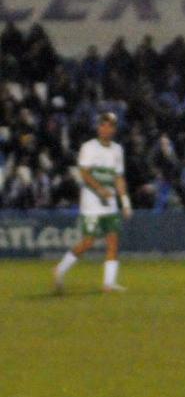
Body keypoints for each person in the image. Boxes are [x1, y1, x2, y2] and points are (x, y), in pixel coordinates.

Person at [53, 112, 132, 293]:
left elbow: (119, 177)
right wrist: (99, 190)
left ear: (114, 129)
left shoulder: (117, 150)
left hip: (110, 205)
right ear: (98, 127)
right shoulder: (89, 147)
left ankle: (108, 284)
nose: (106, 129)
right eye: (103, 125)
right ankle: (60, 269)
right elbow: (85, 174)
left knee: (113, 241)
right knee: (88, 242)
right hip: (91, 204)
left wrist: (125, 202)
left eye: (110, 126)